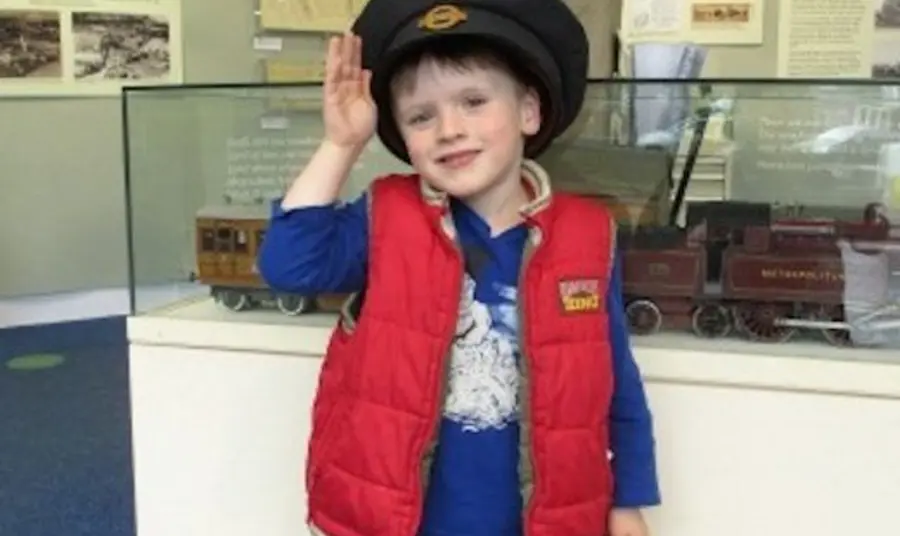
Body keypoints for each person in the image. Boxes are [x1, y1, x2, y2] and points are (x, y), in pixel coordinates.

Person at [257, 1, 661, 535]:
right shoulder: (386, 218)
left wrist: (626, 501)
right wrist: (341, 143)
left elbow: (618, 385)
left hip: (544, 521)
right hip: (398, 520)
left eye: (473, 102)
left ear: (529, 112)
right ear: (403, 136)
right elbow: (289, 266)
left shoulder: (589, 236)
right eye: (421, 116)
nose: (449, 129)